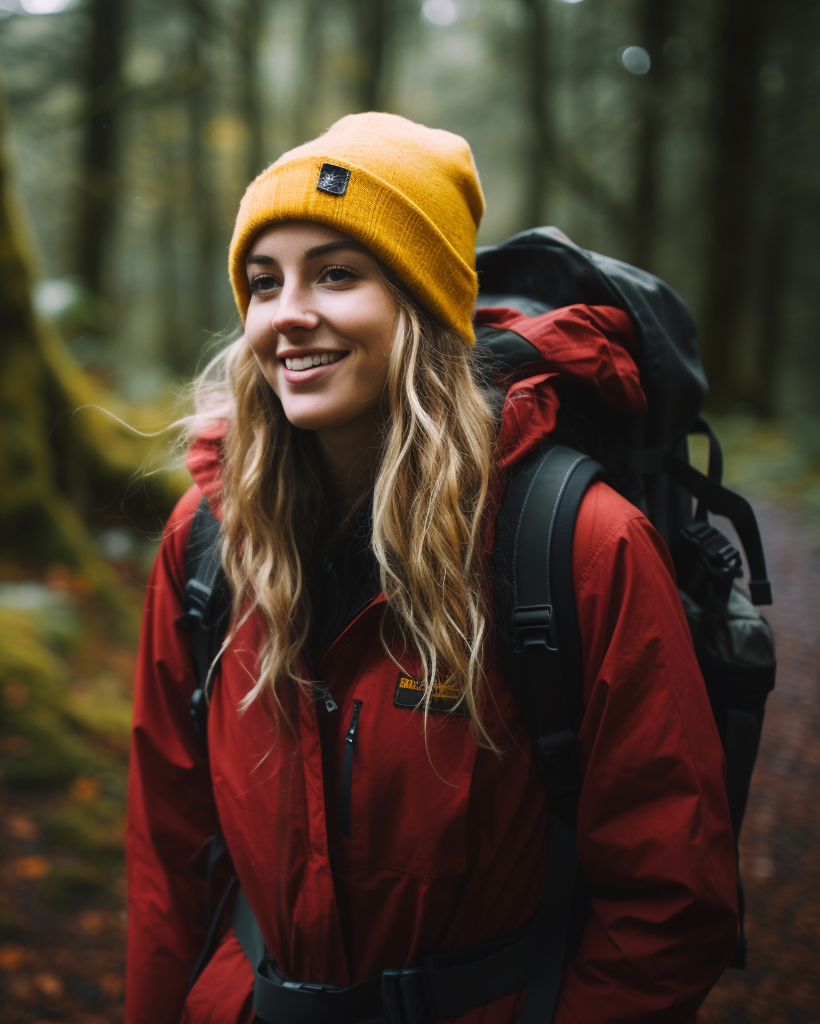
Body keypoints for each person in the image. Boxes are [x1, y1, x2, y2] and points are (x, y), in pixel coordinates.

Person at [125, 113, 739, 1024]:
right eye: (264, 282)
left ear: (423, 302)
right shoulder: (211, 538)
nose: (288, 312)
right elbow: (167, 857)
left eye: (337, 273)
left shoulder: (576, 543)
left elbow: (669, 903)